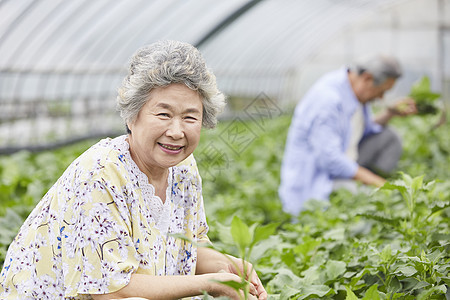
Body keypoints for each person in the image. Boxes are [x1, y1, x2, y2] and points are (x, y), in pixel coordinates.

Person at [0, 40, 267, 300]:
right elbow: (111, 291)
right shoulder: (102, 173)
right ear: (132, 116)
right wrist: (212, 283)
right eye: (163, 114)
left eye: (190, 117)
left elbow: (189, 249)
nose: (176, 132)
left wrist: (231, 267)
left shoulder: (183, 167)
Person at [279, 54, 417, 216]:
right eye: (381, 91)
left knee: (389, 137)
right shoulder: (328, 100)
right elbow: (329, 160)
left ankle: (364, 185)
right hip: (318, 181)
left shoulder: (354, 92)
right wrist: (377, 182)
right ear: (367, 78)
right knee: (372, 204)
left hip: (345, 164)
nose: (381, 98)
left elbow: (364, 129)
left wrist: (389, 113)